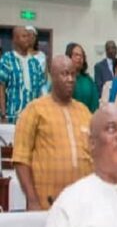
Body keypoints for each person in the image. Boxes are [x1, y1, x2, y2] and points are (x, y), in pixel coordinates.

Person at [12, 55, 93, 210]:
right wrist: (32, 199)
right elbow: (20, 158)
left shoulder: (84, 112)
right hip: (46, 204)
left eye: (73, 74)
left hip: (83, 206)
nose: (70, 79)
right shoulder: (34, 110)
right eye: (64, 74)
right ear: (52, 76)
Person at [0, 26, 46, 123]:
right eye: (24, 36)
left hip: (33, 119)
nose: (27, 39)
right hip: (12, 118)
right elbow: (1, 87)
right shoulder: (7, 59)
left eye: (28, 36)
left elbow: (42, 91)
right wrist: (3, 114)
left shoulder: (35, 63)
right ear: (15, 40)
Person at [65, 43, 99, 113]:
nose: (79, 58)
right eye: (76, 55)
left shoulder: (89, 81)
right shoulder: (61, 78)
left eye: (82, 56)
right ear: (68, 57)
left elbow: (95, 106)